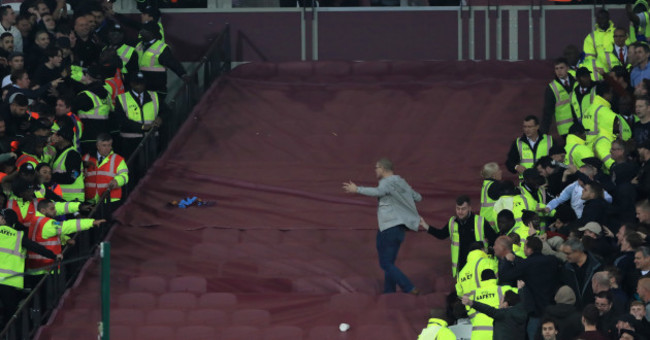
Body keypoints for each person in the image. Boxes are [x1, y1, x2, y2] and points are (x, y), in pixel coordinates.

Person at [342, 158, 421, 294]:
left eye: (377, 167)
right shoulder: (402, 182)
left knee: (385, 263)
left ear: (383, 169)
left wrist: (357, 189)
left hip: (389, 227)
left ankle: (409, 287)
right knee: (389, 263)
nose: (375, 170)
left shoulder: (387, 182)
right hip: (399, 229)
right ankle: (389, 292)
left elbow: (378, 192)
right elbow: (418, 197)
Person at [0, 208, 58, 328]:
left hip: (8, 282)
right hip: (9, 281)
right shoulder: (18, 236)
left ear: (4, 220)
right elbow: (36, 247)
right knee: (11, 315)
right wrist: (55, 255)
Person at [499, 236, 560, 340]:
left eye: (524, 247)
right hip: (552, 310)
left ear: (529, 249)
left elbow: (505, 275)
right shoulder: (552, 261)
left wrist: (507, 261)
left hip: (535, 312)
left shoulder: (526, 264)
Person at [421, 195, 497, 277]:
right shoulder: (452, 222)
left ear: (469, 208)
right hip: (461, 266)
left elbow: (493, 239)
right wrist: (426, 226)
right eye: (458, 208)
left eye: (463, 209)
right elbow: (441, 234)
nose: (460, 212)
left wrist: (489, 251)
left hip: (478, 264)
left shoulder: (480, 221)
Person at [113, 71, 165, 159]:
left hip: (150, 139)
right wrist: (141, 127)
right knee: (134, 169)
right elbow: (121, 120)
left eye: (142, 83)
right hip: (130, 141)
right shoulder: (122, 98)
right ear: (131, 84)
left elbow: (166, 111)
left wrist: (161, 118)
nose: (140, 86)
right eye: (137, 83)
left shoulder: (154, 96)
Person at [135, 21, 187, 98]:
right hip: (142, 85)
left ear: (151, 33)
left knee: (157, 107)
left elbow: (172, 62)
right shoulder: (139, 45)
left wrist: (182, 74)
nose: (141, 32)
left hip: (156, 86)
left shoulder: (161, 47)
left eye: (144, 31)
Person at [459, 269, 516, 339]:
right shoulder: (504, 289)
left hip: (478, 334)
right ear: (495, 278)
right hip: (496, 332)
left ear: (481, 280)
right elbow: (520, 295)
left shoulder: (472, 294)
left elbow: (469, 311)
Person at [461, 281, 527, 340]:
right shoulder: (523, 313)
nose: (499, 303)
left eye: (501, 300)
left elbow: (489, 310)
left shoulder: (503, 314)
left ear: (505, 304)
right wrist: (521, 290)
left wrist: (471, 302)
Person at [72, 65, 111, 156]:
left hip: (87, 138)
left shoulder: (85, 95)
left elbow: (70, 109)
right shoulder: (106, 94)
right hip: (103, 138)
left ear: (88, 77)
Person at [82, 133, 128, 206]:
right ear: (97, 146)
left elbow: (124, 176)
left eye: (109, 145)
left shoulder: (118, 159)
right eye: (104, 145)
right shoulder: (86, 158)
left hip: (111, 200)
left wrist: (117, 181)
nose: (107, 148)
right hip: (90, 200)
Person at [505, 115, 553, 180]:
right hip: (526, 181)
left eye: (530, 127)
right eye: (525, 127)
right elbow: (509, 162)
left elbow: (558, 158)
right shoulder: (518, 142)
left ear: (537, 127)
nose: (527, 129)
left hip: (545, 179)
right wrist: (516, 167)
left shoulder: (549, 140)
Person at [560, 238, 603, 308]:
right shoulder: (566, 267)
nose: (566, 256)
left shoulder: (597, 265)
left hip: (592, 308)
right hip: (573, 309)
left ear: (578, 251)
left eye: (568, 253)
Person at [542, 57, 577, 136]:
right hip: (565, 130)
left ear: (568, 68)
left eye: (561, 68)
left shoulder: (576, 81)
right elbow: (547, 113)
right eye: (556, 69)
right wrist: (543, 134)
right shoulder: (552, 88)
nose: (559, 71)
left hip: (580, 126)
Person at [50, 124, 85, 202]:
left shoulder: (72, 154)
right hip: (62, 199)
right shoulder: (58, 153)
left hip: (72, 200)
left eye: (56, 135)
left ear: (62, 138)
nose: (53, 138)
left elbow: (72, 176)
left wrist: (51, 177)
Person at [582, 9, 616, 82]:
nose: (601, 21)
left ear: (608, 18)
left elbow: (626, 52)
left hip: (619, 71)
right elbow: (590, 60)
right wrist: (604, 72)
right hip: (602, 73)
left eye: (603, 18)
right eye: (599, 18)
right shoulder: (591, 37)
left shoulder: (617, 32)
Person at [479, 162, 502, 228]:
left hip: (485, 218)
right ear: (493, 175)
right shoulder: (494, 185)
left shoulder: (486, 183)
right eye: (498, 170)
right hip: (492, 221)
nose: (501, 171)